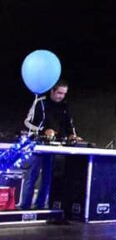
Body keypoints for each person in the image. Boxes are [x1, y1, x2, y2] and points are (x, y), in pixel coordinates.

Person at [20, 80, 78, 209]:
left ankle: (40, 206)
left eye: (64, 94)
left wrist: (72, 134)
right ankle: (25, 206)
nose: (61, 96)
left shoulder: (64, 105)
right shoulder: (40, 102)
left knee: (48, 178)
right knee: (32, 176)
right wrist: (43, 130)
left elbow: (70, 123)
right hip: (36, 145)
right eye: (59, 93)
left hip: (52, 146)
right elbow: (27, 122)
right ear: (52, 91)